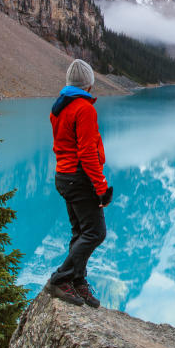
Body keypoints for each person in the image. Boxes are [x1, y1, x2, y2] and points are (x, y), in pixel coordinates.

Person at [47, 58, 113, 307]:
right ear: (89, 85)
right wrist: (101, 188)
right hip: (79, 178)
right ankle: (61, 279)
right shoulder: (84, 108)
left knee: (80, 232)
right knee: (96, 232)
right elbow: (87, 153)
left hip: (64, 177)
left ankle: (77, 280)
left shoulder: (60, 106)